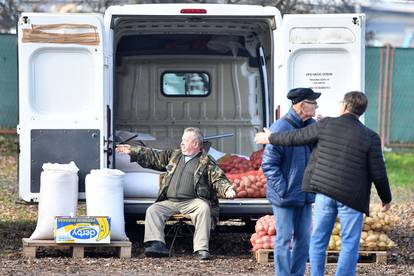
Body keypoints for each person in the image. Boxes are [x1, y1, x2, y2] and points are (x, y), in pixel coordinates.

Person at [255, 91, 392, 276]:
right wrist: (386, 198)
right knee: (349, 242)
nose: (317, 106)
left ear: (343, 106)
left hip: (322, 193)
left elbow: (296, 137)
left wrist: (270, 138)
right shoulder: (370, 136)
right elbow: (379, 172)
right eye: (314, 102)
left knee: (316, 239)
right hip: (349, 197)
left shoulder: (324, 124)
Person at [116, 127, 236, 260]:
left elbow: (218, 178)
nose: (182, 143)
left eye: (185, 140)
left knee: (203, 208)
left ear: (195, 144)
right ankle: (156, 245)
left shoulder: (206, 161)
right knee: (153, 210)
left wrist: (227, 189)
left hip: (193, 201)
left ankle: (201, 249)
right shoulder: (175, 156)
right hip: (171, 201)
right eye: (182, 140)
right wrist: (133, 151)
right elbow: (154, 155)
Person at [262, 87, 320, 276]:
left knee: (304, 239)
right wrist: (284, 189)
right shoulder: (280, 128)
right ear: (301, 106)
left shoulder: (312, 126)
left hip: (305, 194)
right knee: (284, 239)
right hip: (285, 196)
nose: (317, 105)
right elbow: (269, 165)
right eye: (313, 102)